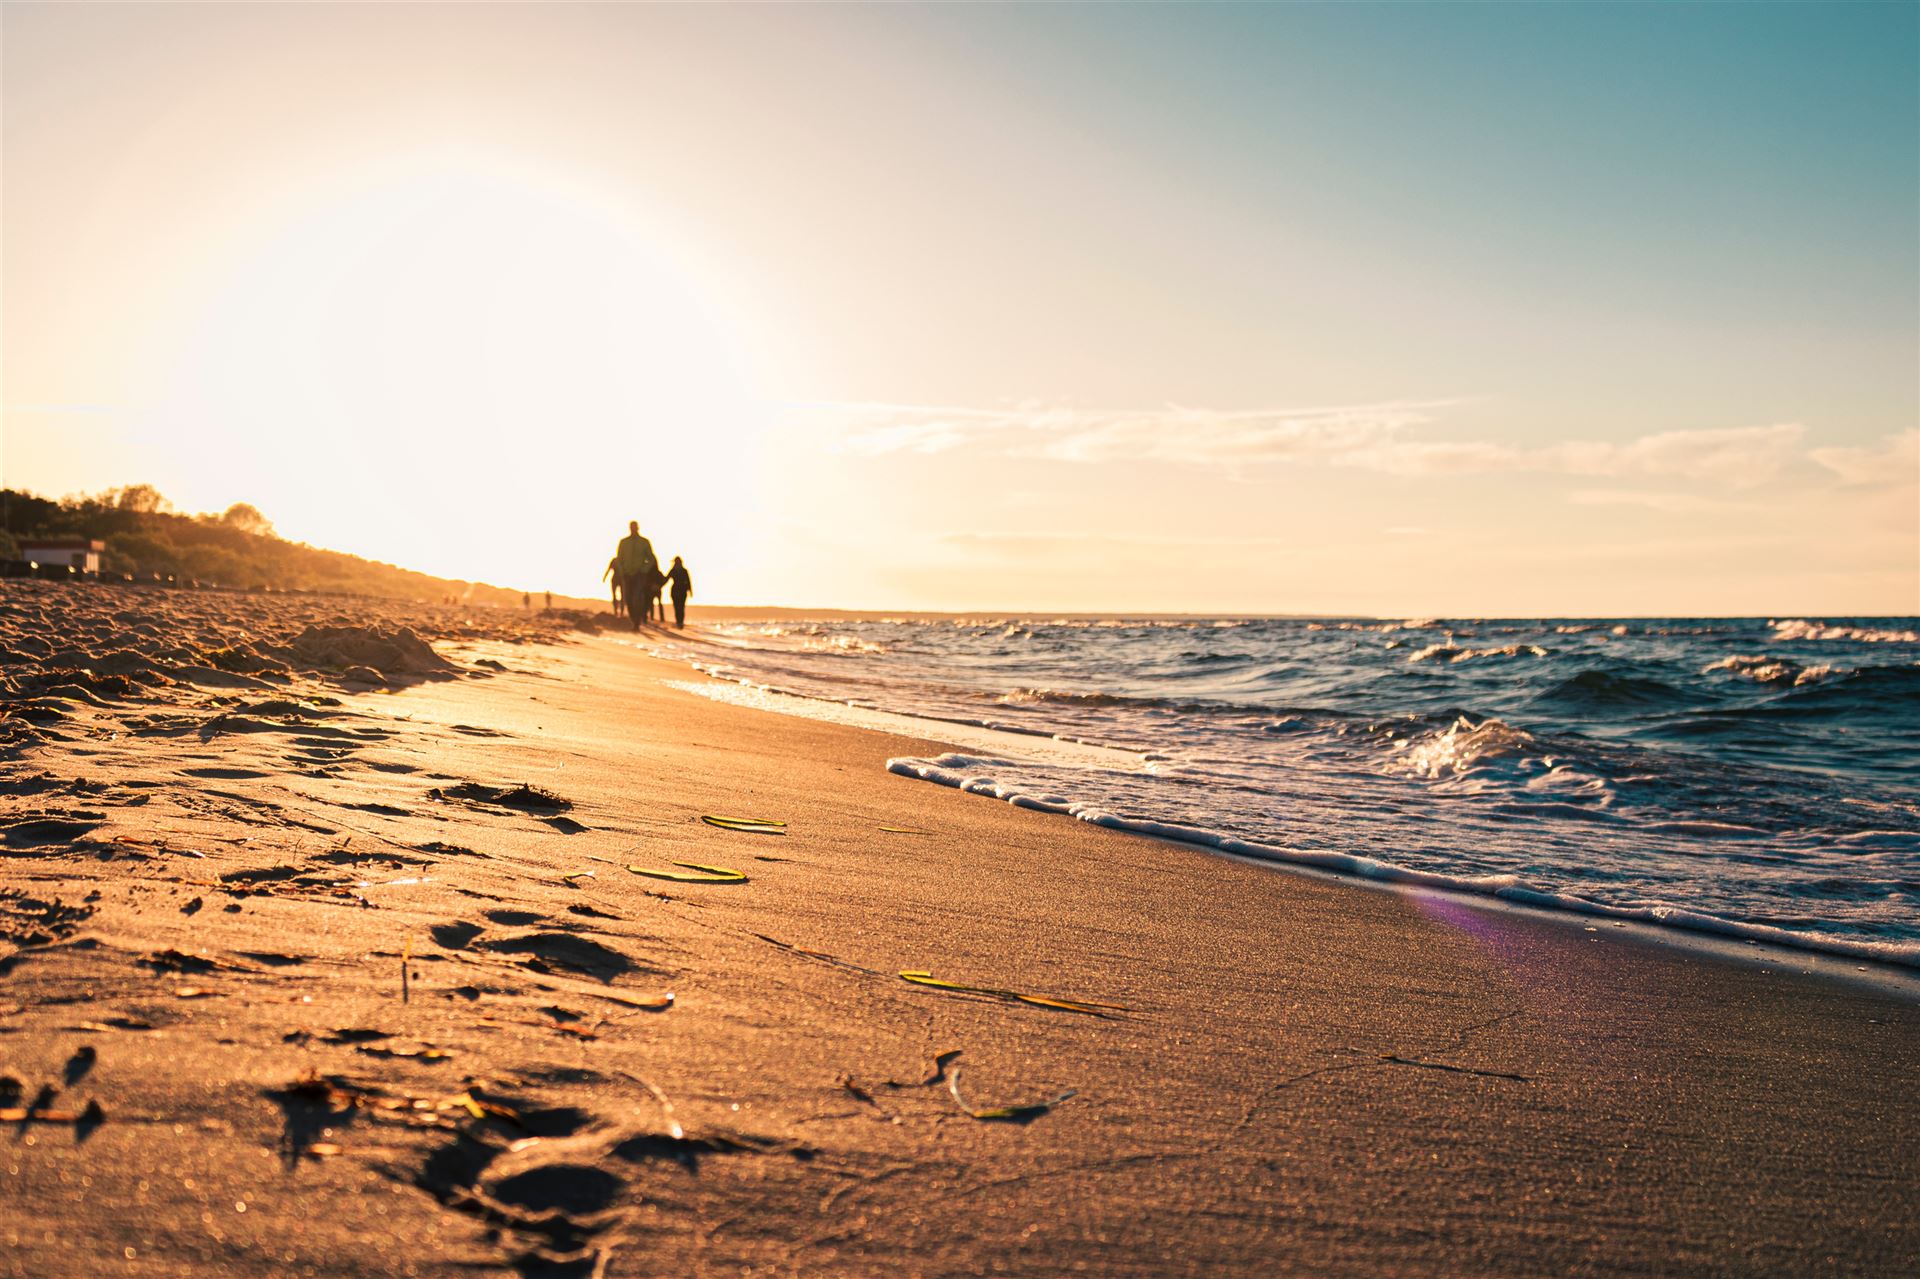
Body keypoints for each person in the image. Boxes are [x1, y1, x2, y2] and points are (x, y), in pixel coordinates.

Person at [613, 521, 658, 630]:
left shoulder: (644, 542)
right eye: (631, 527)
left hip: (639, 574)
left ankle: (637, 621)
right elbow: (619, 558)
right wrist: (622, 570)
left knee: (637, 596)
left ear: (638, 528)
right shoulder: (624, 542)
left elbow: (651, 559)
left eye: (635, 527)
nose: (633, 529)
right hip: (627, 574)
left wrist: (644, 569)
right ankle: (634, 620)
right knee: (628, 597)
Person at [666, 556, 692, 629]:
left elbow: (688, 581)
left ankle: (680, 622)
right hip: (675, 591)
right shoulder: (673, 570)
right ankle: (678, 622)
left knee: (681, 607)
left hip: (682, 591)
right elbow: (666, 579)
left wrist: (690, 590)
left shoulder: (684, 571)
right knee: (677, 607)